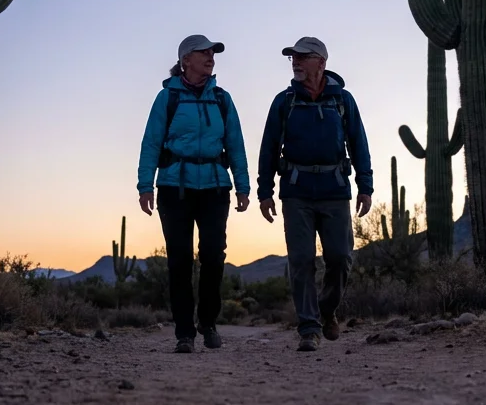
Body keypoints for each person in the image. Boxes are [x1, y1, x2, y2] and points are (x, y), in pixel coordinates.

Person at [256, 36, 373, 352]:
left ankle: (326, 309)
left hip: (335, 190)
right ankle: (308, 328)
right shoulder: (284, 101)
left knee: (340, 256)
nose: (295, 61)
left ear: (321, 63)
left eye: (303, 57)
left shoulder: (342, 101)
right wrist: (264, 191)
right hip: (296, 191)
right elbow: (268, 148)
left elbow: (358, 143)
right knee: (301, 259)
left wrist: (366, 186)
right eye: (293, 57)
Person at [137, 34, 251, 354]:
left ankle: (209, 322)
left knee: (213, 256)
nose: (211, 58)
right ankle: (184, 332)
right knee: (179, 261)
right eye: (204, 53)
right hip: (175, 187)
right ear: (186, 60)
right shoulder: (167, 98)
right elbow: (151, 143)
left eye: (213, 53)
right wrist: (145, 184)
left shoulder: (222, 99)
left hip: (215, 186)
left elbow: (236, 144)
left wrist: (242, 185)